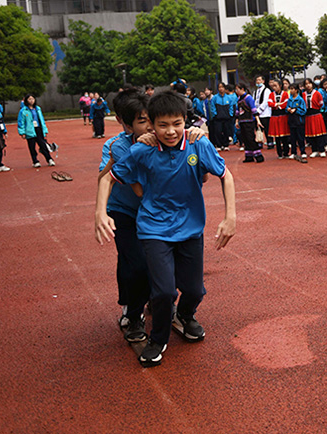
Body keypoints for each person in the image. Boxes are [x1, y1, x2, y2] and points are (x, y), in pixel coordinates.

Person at [96, 90, 236, 367]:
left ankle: (184, 315)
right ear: (152, 125)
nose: (170, 131)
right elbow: (108, 178)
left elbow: (225, 175)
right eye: (162, 125)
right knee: (163, 292)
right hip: (154, 229)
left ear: (185, 121)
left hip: (190, 228)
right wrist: (100, 212)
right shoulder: (141, 150)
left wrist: (230, 216)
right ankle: (157, 338)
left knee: (194, 290)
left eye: (177, 124)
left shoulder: (198, 144)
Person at [97, 89, 152, 344]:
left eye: (151, 119)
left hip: (153, 211)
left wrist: (196, 133)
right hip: (125, 211)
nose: (150, 126)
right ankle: (132, 311)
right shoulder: (117, 146)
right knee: (135, 262)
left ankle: (159, 300)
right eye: (142, 121)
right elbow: (133, 187)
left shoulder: (164, 136)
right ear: (126, 123)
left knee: (157, 259)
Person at [17, 94, 55, 168]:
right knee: (32, 147)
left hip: (38, 129)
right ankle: (35, 161)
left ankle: (49, 159)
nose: (31, 101)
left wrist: (45, 130)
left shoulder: (37, 109)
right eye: (29, 99)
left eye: (32, 99)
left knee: (43, 145)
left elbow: (42, 120)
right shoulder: (23, 111)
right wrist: (22, 132)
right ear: (26, 100)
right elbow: (21, 122)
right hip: (29, 130)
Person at [235, 83, 264, 163]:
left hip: (249, 121)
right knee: (245, 139)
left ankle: (258, 156)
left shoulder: (248, 98)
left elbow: (254, 110)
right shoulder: (239, 99)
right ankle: (249, 156)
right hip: (242, 121)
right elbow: (237, 111)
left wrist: (258, 121)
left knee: (250, 138)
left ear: (242, 89)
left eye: (237, 89)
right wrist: (237, 121)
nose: (236, 91)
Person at [267, 79, 291, 159]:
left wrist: (277, 105)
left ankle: (286, 152)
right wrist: (277, 104)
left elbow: (286, 103)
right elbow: (269, 103)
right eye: (273, 86)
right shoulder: (271, 94)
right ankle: (279, 153)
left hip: (283, 116)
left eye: (275, 86)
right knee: (277, 136)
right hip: (275, 117)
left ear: (280, 86)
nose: (274, 87)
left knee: (285, 135)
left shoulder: (285, 94)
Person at [210, 82, 236, 151]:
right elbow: (212, 107)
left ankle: (225, 145)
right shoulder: (215, 97)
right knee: (218, 131)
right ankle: (219, 145)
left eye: (222, 87)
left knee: (226, 131)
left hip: (226, 118)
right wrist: (215, 114)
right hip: (218, 118)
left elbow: (231, 106)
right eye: (219, 87)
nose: (221, 89)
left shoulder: (228, 98)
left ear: (225, 88)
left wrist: (230, 114)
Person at [286, 84, 308, 163]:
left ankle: (303, 151)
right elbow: (286, 108)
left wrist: (296, 110)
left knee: (300, 137)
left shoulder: (300, 99)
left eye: (292, 89)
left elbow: (304, 110)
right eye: (290, 89)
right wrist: (288, 109)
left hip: (299, 121)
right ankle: (293, 152)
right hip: (291, 120)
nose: (291, 91)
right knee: (292, 138)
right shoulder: (289, 99)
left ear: (296, 90)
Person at [252, 76, 273, 150]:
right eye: (257, 80)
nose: (258, 81)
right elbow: (254, 101)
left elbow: (265, 102)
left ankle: (270, 142)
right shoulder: (255, 91)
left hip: (265, 113)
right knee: (259, 129)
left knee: (267, 129)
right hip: (257, 114)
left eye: (259, 80)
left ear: (263, 81)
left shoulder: (267, 90)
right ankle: (260, 142)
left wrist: (259, 110)